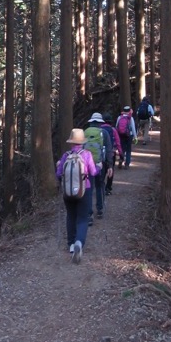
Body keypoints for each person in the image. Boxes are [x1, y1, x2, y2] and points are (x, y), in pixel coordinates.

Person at [55, 128, 98, 264]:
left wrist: (58, 166)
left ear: (71, 142)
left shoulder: (66, 155)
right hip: (83, 191)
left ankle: (71, 245)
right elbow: (93, 172)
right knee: (83, 218)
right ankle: (79, 241)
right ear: (82, 141)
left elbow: (59, 173)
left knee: (71, 216)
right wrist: (99, 167)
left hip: (67, 193)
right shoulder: (87, 154)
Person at [83, 112, 113, 220]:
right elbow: (109, 150)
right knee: (100, 185)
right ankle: (100, 209)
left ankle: (89, 214)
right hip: (100, 164)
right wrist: (110, 165)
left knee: (89, 188)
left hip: (86, 165)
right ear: (100, 122)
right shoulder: (104, 133)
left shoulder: (85, 132)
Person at [102, 111, 123, 194]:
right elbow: (118, 142)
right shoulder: (113, 130)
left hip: (102, 154)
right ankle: (108, 188)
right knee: (111, 170)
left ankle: (101, 187)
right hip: (111, 153)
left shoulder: (99, 130)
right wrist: (121, 154)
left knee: (102, 171)